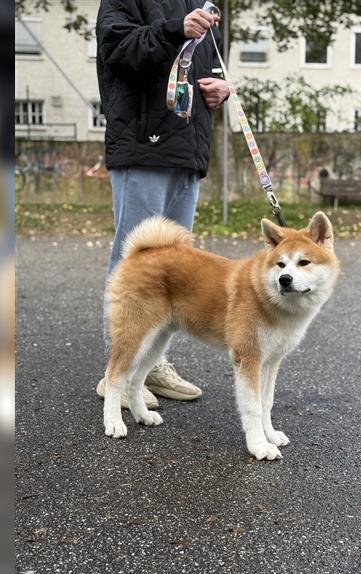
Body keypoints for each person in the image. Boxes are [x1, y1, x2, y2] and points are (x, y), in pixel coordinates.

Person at [95, 0, 230, 406]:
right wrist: (175, 29)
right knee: (134, 259)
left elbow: (211, 65)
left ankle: (153, 365)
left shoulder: (202, 4)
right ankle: (115, 374)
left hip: (188, 150)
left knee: (176, 265)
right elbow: (118, 50)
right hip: (142, 144)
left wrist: (221, 87)